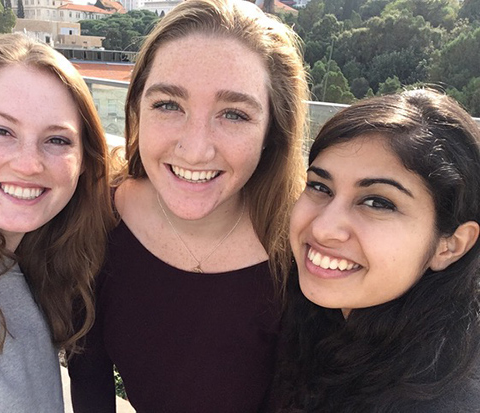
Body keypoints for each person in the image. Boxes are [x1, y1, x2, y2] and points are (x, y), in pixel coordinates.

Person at [68, 0, 309, 411]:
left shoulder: (305, 250)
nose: (195, 150)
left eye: (233, 114)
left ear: (273, 129)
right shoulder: (97, 217)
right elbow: (88, 372)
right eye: (168, 105)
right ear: (137, 109)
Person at [0, 33, 113, 412]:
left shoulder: (29, 265)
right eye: (0, 131)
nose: (29, 164)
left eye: (58, 140)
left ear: (84, 163)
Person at [269, 89, 480, 412]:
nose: (324, 228)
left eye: (377, 202)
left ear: (451, 245)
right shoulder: (317, 322)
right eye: (319, 187)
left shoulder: (449, 398)